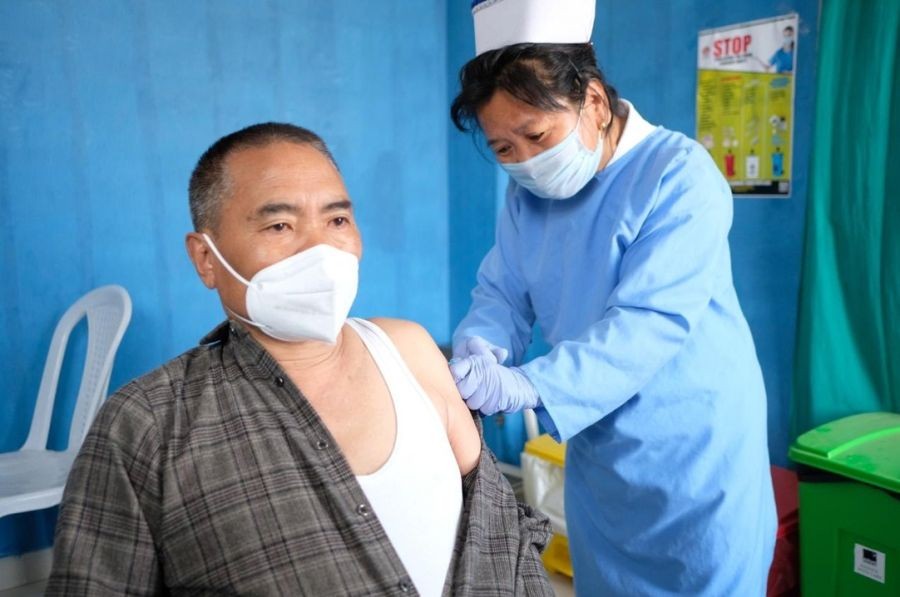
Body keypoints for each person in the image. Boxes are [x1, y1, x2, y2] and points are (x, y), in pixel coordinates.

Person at [47, 123, 553, 596]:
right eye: (280, 225)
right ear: (206, 258)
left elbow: (500, 525)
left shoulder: (407, 349)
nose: (321, 250)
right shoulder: (148, 423)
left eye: (336, 219)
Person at [448, 0, 775, 594]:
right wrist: (484, 343)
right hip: (601, 446)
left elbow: (651, 320)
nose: (523, 161)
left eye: (536, 135)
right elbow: (502, 289)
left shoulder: (678, 175)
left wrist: (531, 385)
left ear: (593, 102)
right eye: (502, 149)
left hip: (694, 447)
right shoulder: (525, 202)